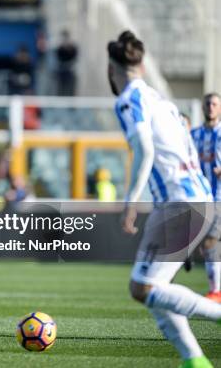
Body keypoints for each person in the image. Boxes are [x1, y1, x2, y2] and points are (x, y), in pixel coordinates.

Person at [109, 31, 221, 368]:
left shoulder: (129, 100)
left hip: (178, 203)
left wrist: (130, 201)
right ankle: (194, 360)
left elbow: (144, 147)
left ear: (112, 69)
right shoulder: (163, 101)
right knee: (154, 288)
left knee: (142, 287)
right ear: (142, 64)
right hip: (199, 199)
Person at [189, 92, 221, 302]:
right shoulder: (194, 135)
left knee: (210, 242)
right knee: (209, 245)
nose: (210, 107)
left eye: (215, 104)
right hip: (200, 197)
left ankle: (215, 292)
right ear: (202, 107)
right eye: (208, 103)